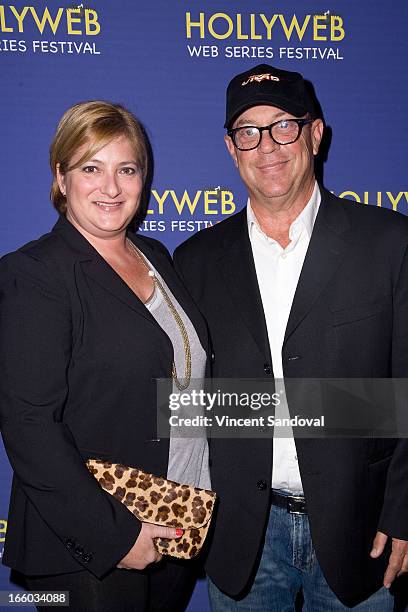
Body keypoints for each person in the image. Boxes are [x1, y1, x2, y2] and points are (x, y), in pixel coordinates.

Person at [173, 64, 408, 610]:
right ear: (232, 149)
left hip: (362, 531)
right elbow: (190, 401)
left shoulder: (389, 244)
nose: (267, 147)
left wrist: (404, 509)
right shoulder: (195, 261)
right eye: (248, 132)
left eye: (283, 126)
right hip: (242, 538)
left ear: (315, 134)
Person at [0, 100, 210, 612]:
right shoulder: (36, 274)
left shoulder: (156, 256)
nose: (111, 187)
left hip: (175, 516)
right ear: (61, 177)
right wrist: (115, 536)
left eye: (127, 169)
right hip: (95, 543)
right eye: (91, 168)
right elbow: (29, 424)